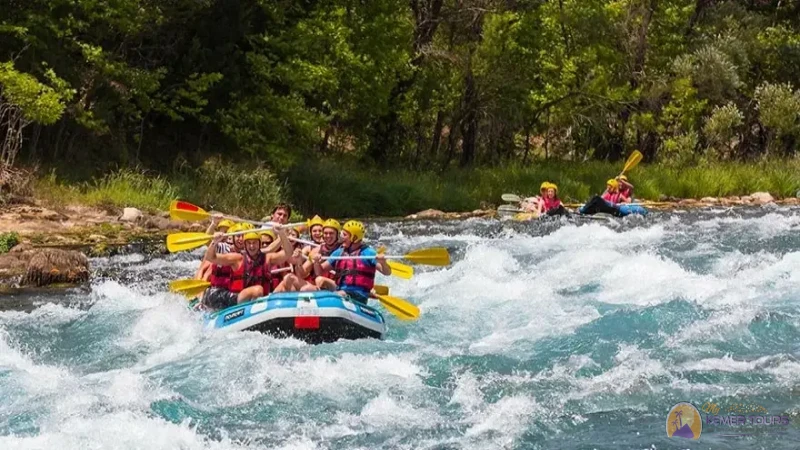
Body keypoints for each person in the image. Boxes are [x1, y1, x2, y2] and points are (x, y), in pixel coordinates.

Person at [201, 224, 297, 310]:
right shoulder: (238, 259)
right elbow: (211, 257)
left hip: (259, 299)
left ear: (259, 244)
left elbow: (288, 253)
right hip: (236, 299)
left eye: (254, 243)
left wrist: (282, 234)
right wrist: (214, 242)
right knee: (257, 290)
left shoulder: (268, 258)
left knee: (287, 281)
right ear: (245, 245)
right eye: (249, 243)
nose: (251, 246)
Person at [312, 220, 391, 303]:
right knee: (320, 279)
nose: (341, 237)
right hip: (340, 289)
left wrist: (383, 263)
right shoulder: (340, 252)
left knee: (339, 294)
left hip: (359, 293)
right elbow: (320, 272)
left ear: (354, 238)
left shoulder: (367, 252)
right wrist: (316, 262)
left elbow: (387, 272)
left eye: (345, 235)